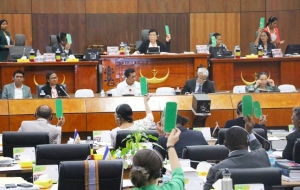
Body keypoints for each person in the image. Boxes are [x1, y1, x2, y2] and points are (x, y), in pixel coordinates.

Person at [204, 115, 271, 190]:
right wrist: (250, 132)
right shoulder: (262, 156)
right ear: (247, 142)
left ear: (225, 144)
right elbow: (258, 148)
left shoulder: (216, 169)